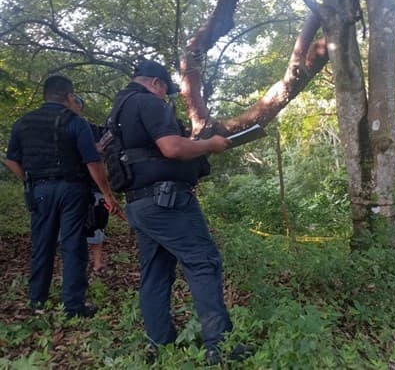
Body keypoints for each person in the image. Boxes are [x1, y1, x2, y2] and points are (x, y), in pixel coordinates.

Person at [109, 59, 249, 365]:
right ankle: (220, 347)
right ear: (157, 84)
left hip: (139, 203)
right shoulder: (149, 103)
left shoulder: (119, 111)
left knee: (156, 271)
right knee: (203, 263)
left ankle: (160, 341)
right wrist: (210, 144)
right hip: (167, 202)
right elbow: (172, 148)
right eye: (166, 92)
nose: (166, 97)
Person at [4, 75, 122, 318]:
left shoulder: (23, 122)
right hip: (72, 189)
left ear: (45, 95)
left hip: (39, 190)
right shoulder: (75, 122)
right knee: (73, 245)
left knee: (42, 244)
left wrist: (29, 180)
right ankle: (73, 305)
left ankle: (37, 299)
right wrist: (108, 194)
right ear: (68, 96)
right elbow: (93, 161)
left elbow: (11, 160)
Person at [71, 95, 109, 274]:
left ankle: (97, 262)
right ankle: (76, 264)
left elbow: (103, 148)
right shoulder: (58, 129)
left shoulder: (91, 128)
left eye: (76, 104)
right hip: (70, 185)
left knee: (97, 221)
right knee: (72, 225)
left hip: (93, 185)